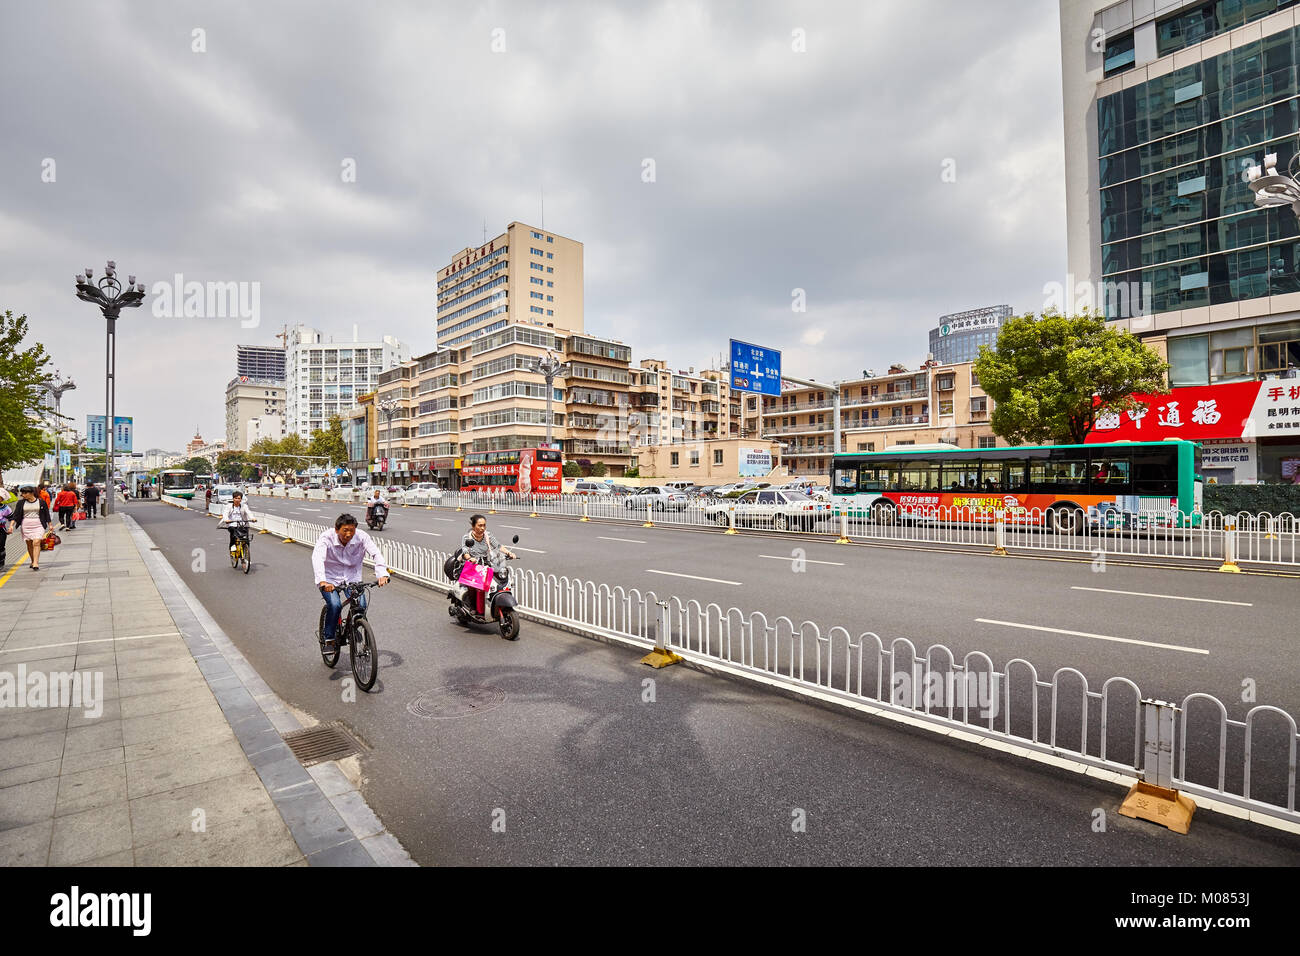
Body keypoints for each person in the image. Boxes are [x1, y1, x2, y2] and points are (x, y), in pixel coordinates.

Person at [312, 514, 389, 648]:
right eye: (345, 530)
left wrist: (382, 574)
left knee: (361, 606)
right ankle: (329, 638)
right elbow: (317, 557)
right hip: (330, 579)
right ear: (337, 530)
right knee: (335, 605)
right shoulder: (326, 537)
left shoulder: (362, 537)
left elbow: (376, 554)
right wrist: (323, 581)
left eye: (351, 530)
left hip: (352, 579)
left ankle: (351, 627)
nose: (348, 534)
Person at [456, 513, 516, 615]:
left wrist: (509, 553)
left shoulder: (488, 535)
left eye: (484, 525)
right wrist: (470, 558)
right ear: (473, 526)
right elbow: (465, 551)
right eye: (480, 525)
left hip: (485, 563)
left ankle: (489, 605)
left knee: (493, 582)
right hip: (471, 564)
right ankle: (472, 606)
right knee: (474, 585)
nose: (482, 528)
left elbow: (498, 546)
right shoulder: (467, 537)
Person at [8, 485, 51, 572]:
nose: (23, 495)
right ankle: (32, 560)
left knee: (36, 542)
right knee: (29, 544)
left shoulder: (41, 502)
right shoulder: (21, 503)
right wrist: (11, 525)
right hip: (26, 525)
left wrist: (50, 525)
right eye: (22, 493)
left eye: (25, 493)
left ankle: (36, 562)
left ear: (31, 493)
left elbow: (47, 514)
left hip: (38, 524)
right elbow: (16, 515)